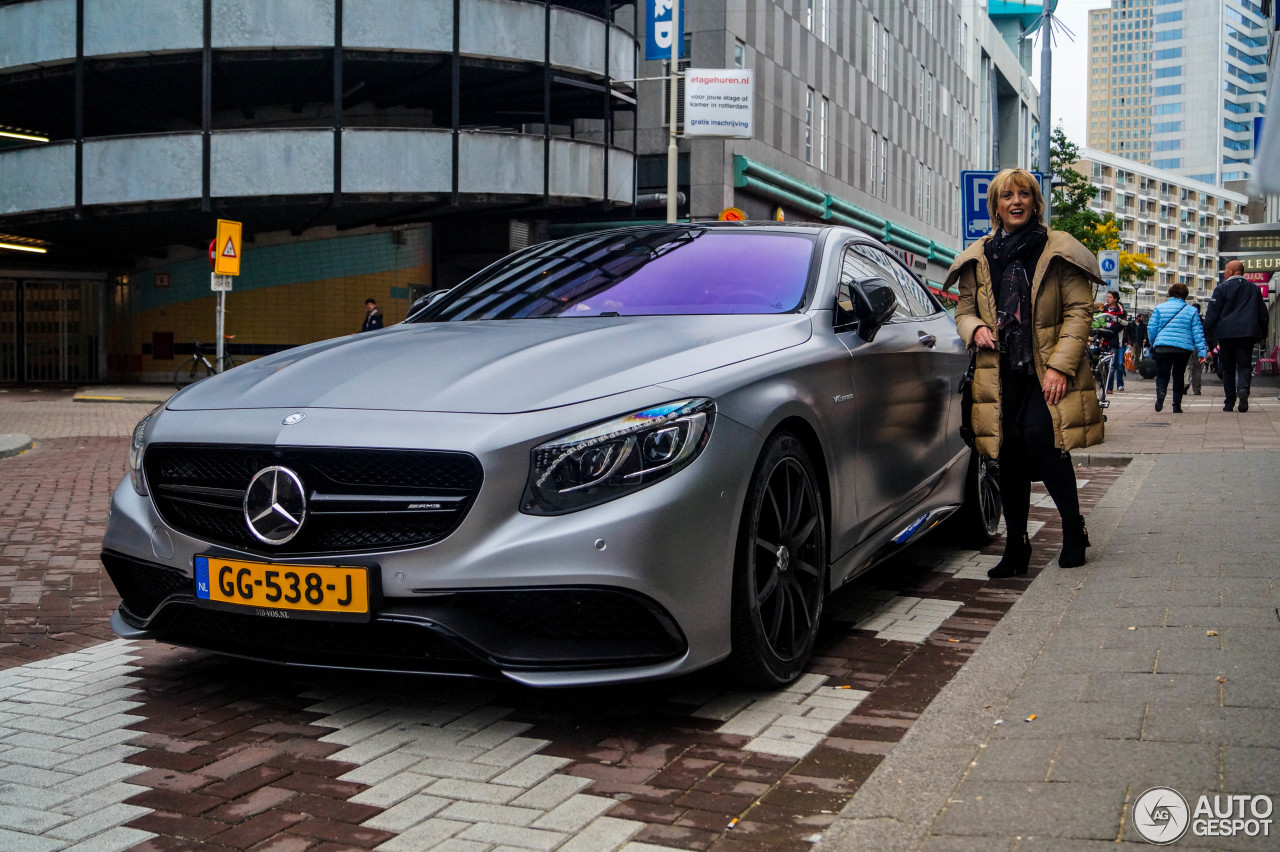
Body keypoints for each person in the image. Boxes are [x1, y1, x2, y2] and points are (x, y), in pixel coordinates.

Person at [947, 168, 1105, 578]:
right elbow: (963, 310)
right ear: (995, 206)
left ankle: (1073, 527)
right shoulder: (980, 255)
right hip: (999, 371)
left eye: (1023, 195)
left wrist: (1060, 366)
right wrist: (975, 327)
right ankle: (1016, 546)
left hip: (1044, 367)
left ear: (1035, 202)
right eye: (1006, 196)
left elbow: (1078, 311)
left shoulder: (1058, 250)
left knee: (1040, 436)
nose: (1015, 202)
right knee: (1008, 454)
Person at [1203, 260, 1269, 412]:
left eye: (1226, 270)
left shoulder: (1221, 289)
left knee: (1228, 368)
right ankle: (1243, 389)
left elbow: (1212, 313)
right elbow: (1263, 314)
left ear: (1232, 271)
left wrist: (1207, 333)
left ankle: (1229, 401)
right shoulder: (1253, 289)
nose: (1224, 273)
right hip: (1247, 333)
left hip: (1226, 334)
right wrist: (1262, 333)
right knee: (1244, 364)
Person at [1146, 283, 1206, 414]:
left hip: (1162, 346)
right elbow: (1198, 333)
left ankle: (1161, 394)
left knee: (1162, 373)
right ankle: (1176, 406)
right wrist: (1202, 352)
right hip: (1182, 348)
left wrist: (1154, 342)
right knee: (1178, 375)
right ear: (1185, 295)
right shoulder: (1191, 311)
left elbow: (1151, 328)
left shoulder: (1160, 308)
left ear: (1170, 293)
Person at [1099, 290, 1128, 392]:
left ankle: (1116, 385)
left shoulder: (1121, 311)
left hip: (1116, 341)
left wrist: (1108, 331)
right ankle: (1108, 386)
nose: (1108, 299)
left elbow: (1120, 325)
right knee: (1108, 365)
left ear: (1115, 299)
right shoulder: (1103, 309)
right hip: (1104, 340)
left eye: (1110, 297)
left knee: (1118, 364)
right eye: (1107, 297)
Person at [1181, 303, 1204, 396]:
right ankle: (1196, 389)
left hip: (1187, 344)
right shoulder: (1202, 321)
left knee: (1187, 365)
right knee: (1197, 368)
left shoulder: (1186, 320)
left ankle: (1185, 383)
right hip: (1198, 345)